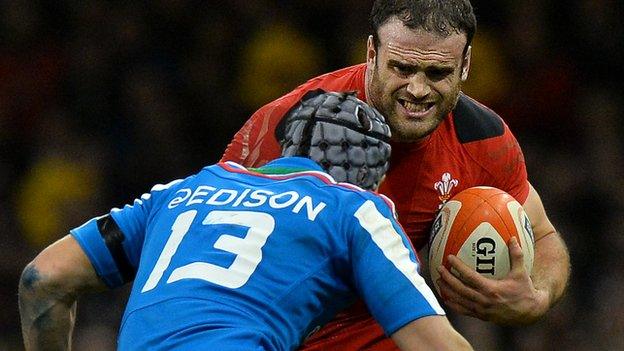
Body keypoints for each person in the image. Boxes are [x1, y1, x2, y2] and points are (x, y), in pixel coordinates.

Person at [221, 0, 571, 350]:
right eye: (402, 68)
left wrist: (536, 297)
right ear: (372, 52)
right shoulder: (289, 129)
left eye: (437, 73)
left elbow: (542, 235)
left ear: (465, 65)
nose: (417, 90)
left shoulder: (483, 139)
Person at [19, 91, 473, 351]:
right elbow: (433, 345)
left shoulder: (180, 192)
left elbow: (43, 277)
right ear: (370, 178)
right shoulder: (355, 209)